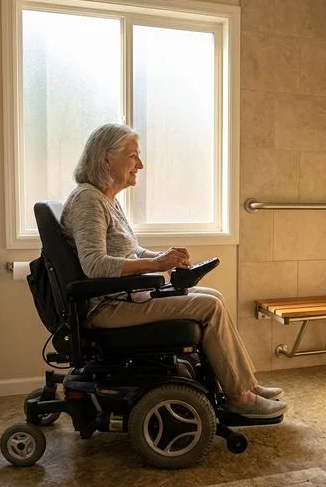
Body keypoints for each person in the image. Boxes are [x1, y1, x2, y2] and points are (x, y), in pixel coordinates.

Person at [60, 123, 288, 419]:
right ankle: (240, 396)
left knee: (212, 295)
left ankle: (247, 385)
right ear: (107, 160)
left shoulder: (106, 199)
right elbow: (94, 265)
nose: (139, 165)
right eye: (133, 157)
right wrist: (156, 265)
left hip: (125, 297)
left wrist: (162, 257)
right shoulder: (89, 200)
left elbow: (131, 250)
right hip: (107, 306)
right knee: (208, 306)